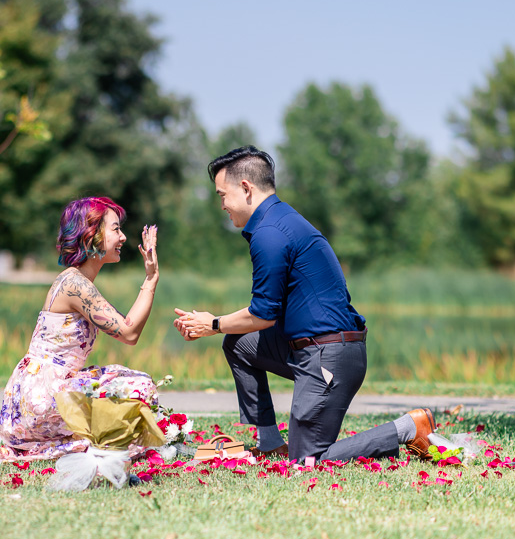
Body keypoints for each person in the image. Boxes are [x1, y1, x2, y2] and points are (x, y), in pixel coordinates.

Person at [174, 146, 434, 464]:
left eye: (222, 195)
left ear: (245, 189)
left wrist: (211, 324)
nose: (223, 205)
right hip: (315, 349)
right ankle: (270, 442)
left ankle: (408, 427)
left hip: (328, 357)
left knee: (307, 461)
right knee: (240, 343)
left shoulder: (269, 232)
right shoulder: (280, 219)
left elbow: (262, 314)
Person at [0, 196, 160, 461]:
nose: (123, 238)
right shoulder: (75, 285)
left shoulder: (78, 282)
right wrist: (151, 279)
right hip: (41, 398)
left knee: (128, 383)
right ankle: (88, 444)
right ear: (92, 235)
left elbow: (127, 328)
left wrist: (150, 277)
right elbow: (129, 333)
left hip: (42, 393)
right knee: (138, 388)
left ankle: (93, 442)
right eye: (116, 229)